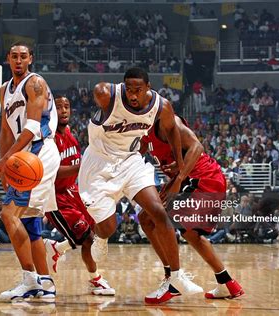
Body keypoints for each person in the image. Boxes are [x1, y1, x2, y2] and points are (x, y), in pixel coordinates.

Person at [78, 67, 202, 299]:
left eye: (138, 90)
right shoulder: (106, 94)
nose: (133, 95)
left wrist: (178, 163)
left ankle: (176, 276)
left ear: (148, 88)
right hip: (98, 164)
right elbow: (102, 91)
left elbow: (172, 130)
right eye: (129, 89)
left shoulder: (161, 106)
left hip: (130, 161)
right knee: (108, 227)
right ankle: (102, 237)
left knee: (158, 212)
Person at [140, 115, 244, 303]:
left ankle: (173, 280)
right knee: (185, 232)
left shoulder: (167, 122)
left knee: (159, 218)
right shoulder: (141, 131)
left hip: (203, 177)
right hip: (190, 177)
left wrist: (178, 180)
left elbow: (197, 147)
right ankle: (227, 282)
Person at [0, 42, 60, 301]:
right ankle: (46, 283)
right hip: (22, 156)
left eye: (23, 56)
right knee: (28, 222)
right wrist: (5, 165)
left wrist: (7, 159)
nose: (18, 60)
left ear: (31, 59)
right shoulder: (4, 90)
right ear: (7, 59)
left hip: (38, 151)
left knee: (8, 214)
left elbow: (31, 127)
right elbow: (6, 131)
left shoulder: (35, 82)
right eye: (14, 56)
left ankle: (30, 280)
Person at [43, 96, 115, 295]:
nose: (64, 110)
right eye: (58, 107)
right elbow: (54, 172)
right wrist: (81, 166)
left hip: (73, 191)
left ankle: (58, 248)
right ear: (51, 111)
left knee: (97, 228)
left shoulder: (71, 135)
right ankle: (95, 280)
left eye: (67, 106)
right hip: (56, 198)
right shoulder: (48, 138)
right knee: (88, 240)